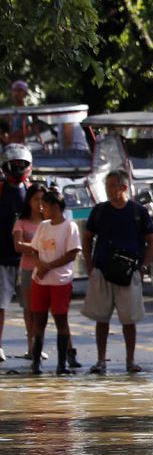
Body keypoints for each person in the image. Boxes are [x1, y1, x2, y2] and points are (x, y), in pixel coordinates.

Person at [25, 187, 81, 375]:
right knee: (38, 319)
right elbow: (34, 250)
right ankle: (36, 362)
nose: (42, 210)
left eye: (45, 206)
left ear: (56, 207)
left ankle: (62, 363)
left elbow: (72, 254)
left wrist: (48, 266)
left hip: (60, 280)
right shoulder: (43, 226)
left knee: (60, 320)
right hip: (40, 280)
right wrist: (40, 264)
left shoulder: (69, 227)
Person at [0, 144, 32, 361]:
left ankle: (33, 346)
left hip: (27, 259)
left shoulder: (32, 191)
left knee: (30, 307)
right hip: (1, 257)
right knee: (0, 305)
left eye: (22, 164)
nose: (18, 168)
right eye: (14, 164)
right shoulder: (1, 190)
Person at [13, 184, 43, 363]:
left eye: (42, 199)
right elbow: (18, 245)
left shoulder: (49, 220)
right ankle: (31, 346)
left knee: (43, 312)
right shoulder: (21, 222)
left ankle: (39, 346)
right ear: (29, 201)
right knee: (29, 310)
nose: (39, 203)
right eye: (35, 199)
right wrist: (37, 249)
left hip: (47, 271)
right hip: (27, 270)